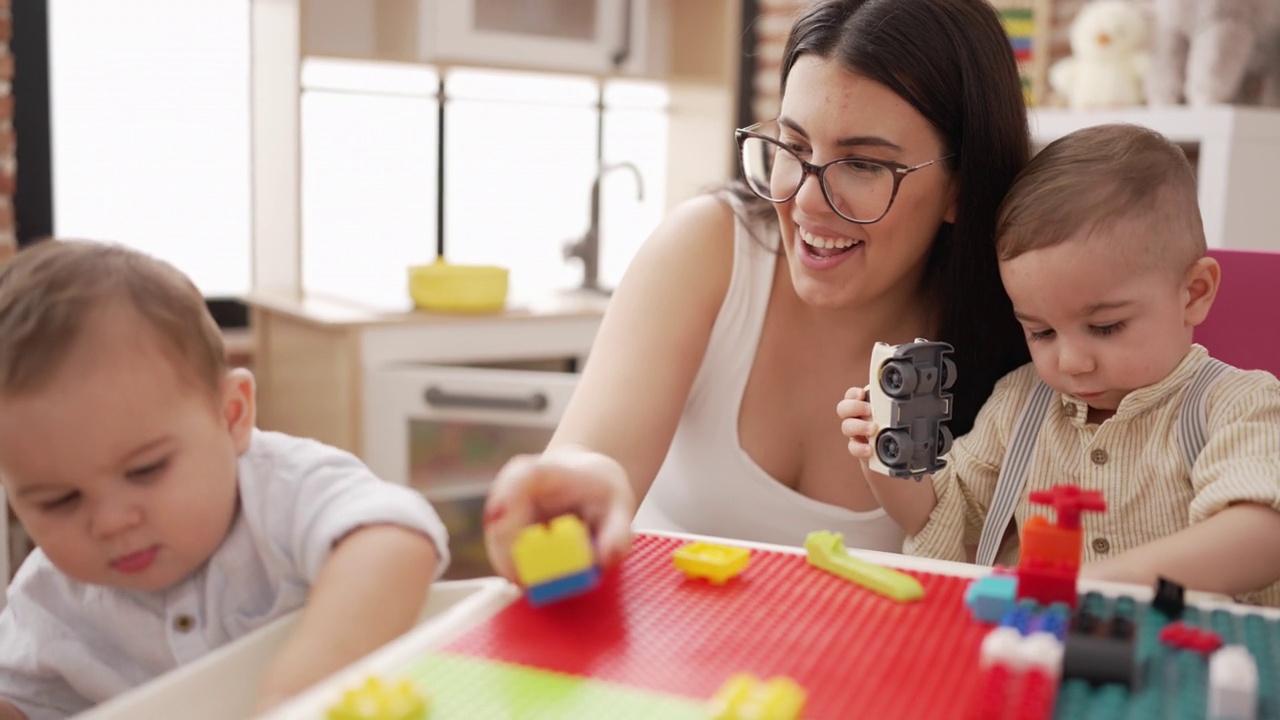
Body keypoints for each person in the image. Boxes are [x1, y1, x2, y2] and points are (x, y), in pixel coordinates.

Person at [483, 0, 1032, 581]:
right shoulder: (708, 247)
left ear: (960, 187)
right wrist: (578, 481)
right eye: (793, 148)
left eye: (865, 165)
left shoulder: (1027, 335)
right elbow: (594, 455)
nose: (804, 202)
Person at [0, 240, 450, 719]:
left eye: (145, 470)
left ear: (231, 415)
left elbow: (396, 539)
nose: (110, 522)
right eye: (59, 501)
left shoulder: (285, 489)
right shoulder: (46, 598)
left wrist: (294, 694)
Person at [839, 123, 1280, 605]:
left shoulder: (1239, 404)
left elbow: (1262, 532)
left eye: (1106, 327)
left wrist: (1102, 581)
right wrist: (885, 458)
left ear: (1193, 293)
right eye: (1041, 332)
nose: (1070, 362)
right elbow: (948, 514)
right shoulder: (1020, 403)